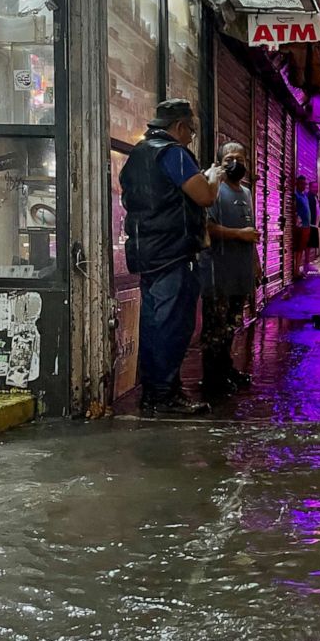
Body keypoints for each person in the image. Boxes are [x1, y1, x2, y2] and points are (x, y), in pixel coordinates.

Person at [120, 98, 223, 415]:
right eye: (190, 130)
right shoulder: (173, 154)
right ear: (178, 127)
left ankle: (158, 391)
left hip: (148, 253)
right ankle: (163, 395)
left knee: (155, 324)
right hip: (173, 254)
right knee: (173, 327)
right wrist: (214, 176)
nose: (191, 137)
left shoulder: (138, 154)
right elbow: (204, 195)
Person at [199, 141, 261, 399]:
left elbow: (252, 233)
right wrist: (239, 235)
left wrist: (256, 265)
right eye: (229, 159)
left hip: (240, 275)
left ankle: (227, 370)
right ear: (220, 163)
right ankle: (213, 380)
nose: (235, 163)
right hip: (218, 274)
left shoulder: (245, 193)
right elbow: (207, 228)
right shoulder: (213, 190)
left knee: (231, 327)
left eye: (240, 158)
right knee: (215, 330)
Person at [292, 175, 312, 278]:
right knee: (298, 249)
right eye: (301, 184)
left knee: (302, 248)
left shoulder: (304, 196)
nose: (303, 186)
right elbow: (294, 210)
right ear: (297, 184)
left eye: (305, 184)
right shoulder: (295, 195)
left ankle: (299, 269)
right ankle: (296, 271)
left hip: (306, 226)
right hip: (300, 226)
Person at [307, 180, 320, 255]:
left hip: (315, 224)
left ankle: (307, 262)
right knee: (308, 245)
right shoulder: (309, 197)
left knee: (310, 245)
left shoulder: (315, 197)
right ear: (309, 187)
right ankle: (306, 263)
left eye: (317, 187)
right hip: (310, 224)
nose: (316, 189)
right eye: (314, 187)